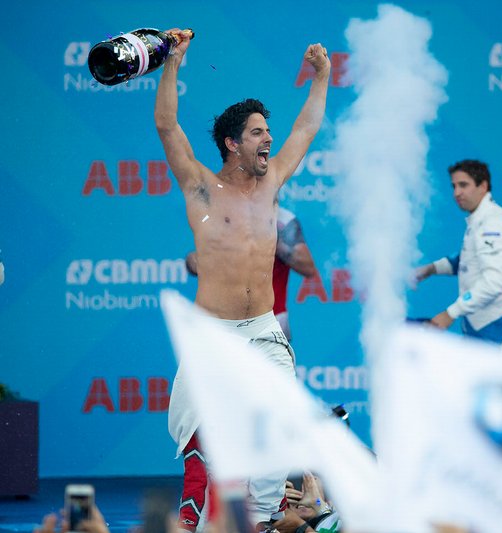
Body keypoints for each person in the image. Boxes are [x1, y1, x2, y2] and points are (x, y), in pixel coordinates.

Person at [154, 29, 330, 533]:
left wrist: (322, 77)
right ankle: (194, 525)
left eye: (267, 132)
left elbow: (306, 129)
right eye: (256, 133)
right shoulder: (202, 188)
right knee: (196, 446)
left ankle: (259, 523)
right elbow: (167, 126)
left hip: (264, 330)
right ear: (232, 144)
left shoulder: (271, 182)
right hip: (210, 335)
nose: (268, 139)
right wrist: (171, 62)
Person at [415, 160, 502, 345]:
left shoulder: (492, 223)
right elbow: (466, 261)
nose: (457, 193)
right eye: (454, 186)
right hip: (474, 321)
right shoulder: (478, 219)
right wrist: (430, 269)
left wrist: (450, 313)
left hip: (492, 324)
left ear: (483, 186)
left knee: (490, 375)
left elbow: (493, 283)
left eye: (463, 185)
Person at [185, 207, 318, 342]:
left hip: (270, 326)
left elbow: (308, 268)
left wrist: (275, 242)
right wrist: (196, 262)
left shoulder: (283, 220)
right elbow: (195, 261)